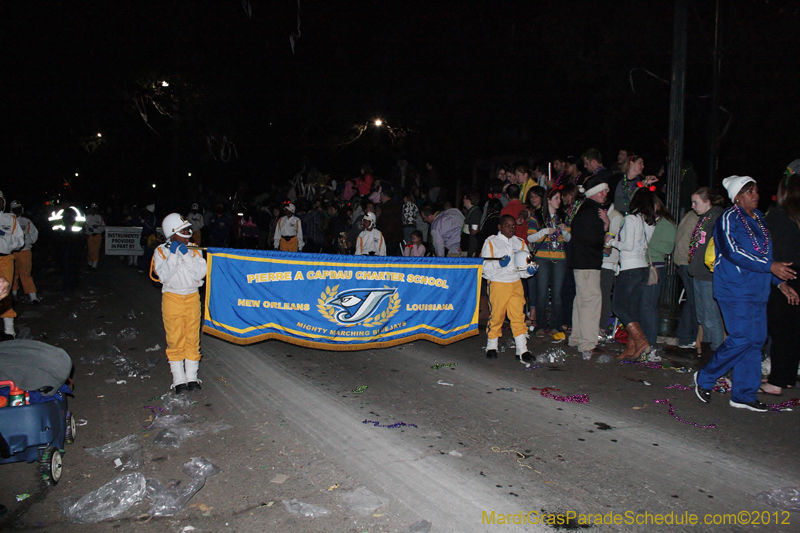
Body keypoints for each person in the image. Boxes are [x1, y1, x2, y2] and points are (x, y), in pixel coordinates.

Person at [695, 176, 798, 412]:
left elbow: (765, 258)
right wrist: (771, 267)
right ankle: (705, 376)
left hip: (758, 289)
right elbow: (732, 252)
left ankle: (743, 394)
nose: (755, 194)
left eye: (756, 189)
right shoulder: (729, 218)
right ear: (737, 197)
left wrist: (778, 282)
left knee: (755, 341)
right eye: (749, 191)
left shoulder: (760, 219)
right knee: (741, 337)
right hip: (735, 289)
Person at [154, 213, 208, 393]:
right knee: (175, 338)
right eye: (183, 229)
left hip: (192, 297)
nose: (187, 231)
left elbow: (200, 273)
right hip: (172, 298)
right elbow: (163, 276)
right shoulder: (160, 251)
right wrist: (174, 256)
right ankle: (178, 379)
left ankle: (192, 377)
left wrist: (186, 256)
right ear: (172, 233)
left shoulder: (194, 248)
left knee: (192, 337)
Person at [606, 188, 657, 360]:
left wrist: (611, 241)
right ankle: (631, 347)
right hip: (642, 268)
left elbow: (627, 246)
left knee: (618, 306)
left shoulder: (631, 219)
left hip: (629, 268)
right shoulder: (649, 222)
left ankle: (641, 341)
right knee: (633, 309)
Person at [762, 170, 800, 395]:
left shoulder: (777, 216)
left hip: (783, 273)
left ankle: (776, 381)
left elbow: (764, 247)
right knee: (794, 330)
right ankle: (786, 377)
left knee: (780, 330)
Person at [481, 214, 538, 363]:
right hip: (498, 283)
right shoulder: (491, 242)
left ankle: (522, 350)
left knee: (518, 316)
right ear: (500, 227)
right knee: (497, 315)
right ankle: (491, 346)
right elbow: (484, 269)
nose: (511, 229)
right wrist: (499, 264)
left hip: (515, 283)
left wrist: (528, 271)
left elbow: (524, 268)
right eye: (507, 225)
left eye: (513, 226)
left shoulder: (519, 243)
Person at [568, 175, 610, 359]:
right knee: (590, 302)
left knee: (582, 301)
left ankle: (577, 337)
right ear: (593, 192)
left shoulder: (585, 209)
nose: (605, 194)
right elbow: (592, 239)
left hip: (582, 262)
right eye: (601, 190)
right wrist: (605, 228)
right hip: (588, 263)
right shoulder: (592, 212)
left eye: (606, 190)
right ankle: (588, 343)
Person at [687, 188, 726, 356]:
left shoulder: (717, 217)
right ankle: (708, 355)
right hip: (698, 273)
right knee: (703, 318)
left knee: (711, 318)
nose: (693, 206)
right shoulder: (705, 218)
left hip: (709, 275)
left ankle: (716, 357)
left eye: (696, 202)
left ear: (707, 201)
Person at [530, 187, 571, 336]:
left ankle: (555, 325)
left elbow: (568, 239)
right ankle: (540, 325)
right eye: (556, 198)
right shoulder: (537, 216)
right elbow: (530, 238)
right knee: (541, 293)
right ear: (548, 200)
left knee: (557, 293)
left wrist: (565, 231)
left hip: (559, 258)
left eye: (560, 198)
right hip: (542, 257)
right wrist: (544, 232)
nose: (559, 201)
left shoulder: (563, 217)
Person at [640, 194, 676, 359]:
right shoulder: (649, 220)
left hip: (655, 266)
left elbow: (668, 248)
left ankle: (651, 342)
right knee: (643, 305)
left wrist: (647, 240)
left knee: (649, 305)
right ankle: (643, 340)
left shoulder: (666, 223)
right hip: (642, 264)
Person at [673, 206, 700, 349]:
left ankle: (686, 336)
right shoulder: (696, 217)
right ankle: (688, 337)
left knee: (691, 300)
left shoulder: (690, 216)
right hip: (687, 262)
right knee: (694, 301)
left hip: (683, 261)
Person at [0, 192, 24, 340]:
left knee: (5, 291)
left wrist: (6, 238)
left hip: (5, 258)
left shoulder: (10, 219)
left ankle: (9, 331)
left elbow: (19, 241)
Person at [600, 202, 623, 337]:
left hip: (609, 262)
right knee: (600, 294)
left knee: (603, 295)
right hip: (603, 261)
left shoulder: (615, 217)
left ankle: (602, 327)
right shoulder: (610, 215)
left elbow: (609, 242)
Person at [9, 201, 40, 304]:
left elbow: (34, 234)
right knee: (13, 274)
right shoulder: (7, 220)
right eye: (15, 209)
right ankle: (13, 296)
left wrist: (26, 241)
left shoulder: (26, 221)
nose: (17, 210)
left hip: (25, 251)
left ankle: (33, 296)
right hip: (11, 251)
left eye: (19, 208)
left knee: (26, 274)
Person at [84, 202, 105, 270]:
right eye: (93, 209)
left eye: (95, 209)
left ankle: (94, 265)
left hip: (97, 236)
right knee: (90, 250)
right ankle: (90, 262)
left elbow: (103, 226)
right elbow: (85, 225)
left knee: (96, 250)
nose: (94, 210)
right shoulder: (88, 217)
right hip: (90, 236)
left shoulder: (99, 217)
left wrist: (98, 228)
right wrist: (88, 230)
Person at [461, 192, 482, 257]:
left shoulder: (475, 213)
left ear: (468, 201)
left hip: (471, 248)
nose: (463, 200)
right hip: (467, 248)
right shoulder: (470, 212)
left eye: (464, 198)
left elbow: (474, 231)